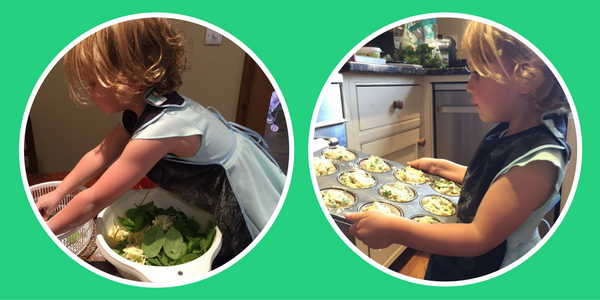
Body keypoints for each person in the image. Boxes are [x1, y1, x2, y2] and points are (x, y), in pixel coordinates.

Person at [34, 18, 286, 268]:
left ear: (130, 80)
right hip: (224, 168)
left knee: (241, 249)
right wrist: (58, 193)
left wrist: (43, 233)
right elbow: (99, 154)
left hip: (238, 183)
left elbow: (93, 200)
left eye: (92, 84)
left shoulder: (161, 129)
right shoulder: (139, 109)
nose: (89, 93)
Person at [346, 21, 571, 281]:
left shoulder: (539, 160)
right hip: (457, 261)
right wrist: (444, 167)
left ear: (526, 79)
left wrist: (396, 230)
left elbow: (478, 237)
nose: (468, 86)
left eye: (477, 74)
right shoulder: (514, 129)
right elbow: (493, 184)